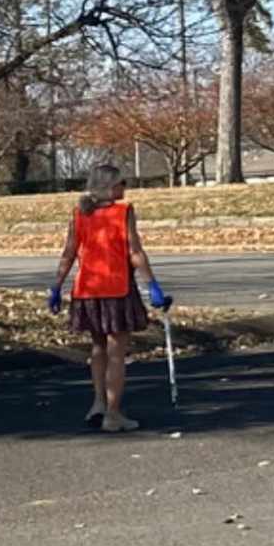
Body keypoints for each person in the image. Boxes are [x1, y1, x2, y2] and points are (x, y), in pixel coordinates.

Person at [60, 169, 167, 433]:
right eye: (122, 182)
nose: (125, 187)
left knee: (97, 348)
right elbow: (135, 251)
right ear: (110, 187)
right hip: (116, 288)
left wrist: (56, 285)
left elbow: (69, 252)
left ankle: (98, 403)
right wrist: (152, 284)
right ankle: (113, 413)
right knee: (116, 353)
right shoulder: (123, 212)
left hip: (86, 290)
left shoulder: (79, 213)